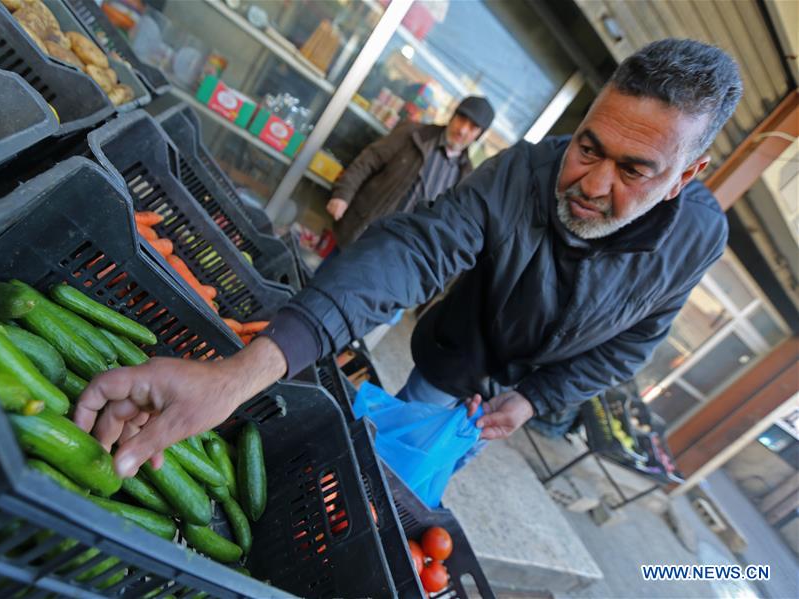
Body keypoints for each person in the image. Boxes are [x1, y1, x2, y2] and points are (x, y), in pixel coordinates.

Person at [74, 39, 743, 479]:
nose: (591, 184)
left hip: (511, 399)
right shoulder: (521, 174)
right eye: (588, 147)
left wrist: (534, 400)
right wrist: (238, 375)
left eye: (633, 170)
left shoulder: (698, 239)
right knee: (374, 462)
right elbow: (413, 249)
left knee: (430, 469)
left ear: (685, 177)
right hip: (453, 362)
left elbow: (631, 344)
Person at [325, 96, 495, 250]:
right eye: (461, 119)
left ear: (479, 135)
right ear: (453, 116)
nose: (463, 130)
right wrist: (342, 195)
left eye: (472, 127)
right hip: (362, 232)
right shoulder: (413, 133)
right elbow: (369, 160)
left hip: (401, 254)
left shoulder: (466, 177)